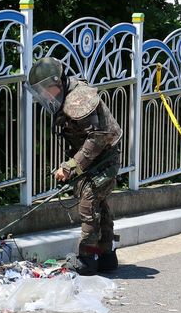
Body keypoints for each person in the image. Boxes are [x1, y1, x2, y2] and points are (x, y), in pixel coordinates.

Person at [27, 57, 121, 276]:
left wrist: (70, 166)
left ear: (56, 82)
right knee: (99, 204)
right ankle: (107, 255)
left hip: (103, 157)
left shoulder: (78, 98)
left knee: (88, 205)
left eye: (45, 89)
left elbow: (97, 138)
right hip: (96, 158)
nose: (45, 95)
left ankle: (87, 258)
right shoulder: (66, 95)